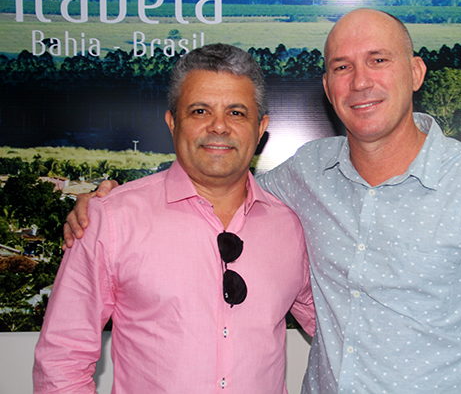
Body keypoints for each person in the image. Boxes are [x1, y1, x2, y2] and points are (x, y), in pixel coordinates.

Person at [64, 9, 461, 393]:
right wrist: (111, 201)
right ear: (327, 87)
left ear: (416, 72)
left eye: (378, 60)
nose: (360, 81)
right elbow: (218, 170)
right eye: (342, 66)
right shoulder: (304, 176)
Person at [34, 43, 315, 394]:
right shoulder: (112, 219)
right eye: (200, 111)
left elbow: (334, 324)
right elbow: (62, 361)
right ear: (172, 122)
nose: (219, 127)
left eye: (237, 113)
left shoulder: (288, 226)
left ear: (261, 128)